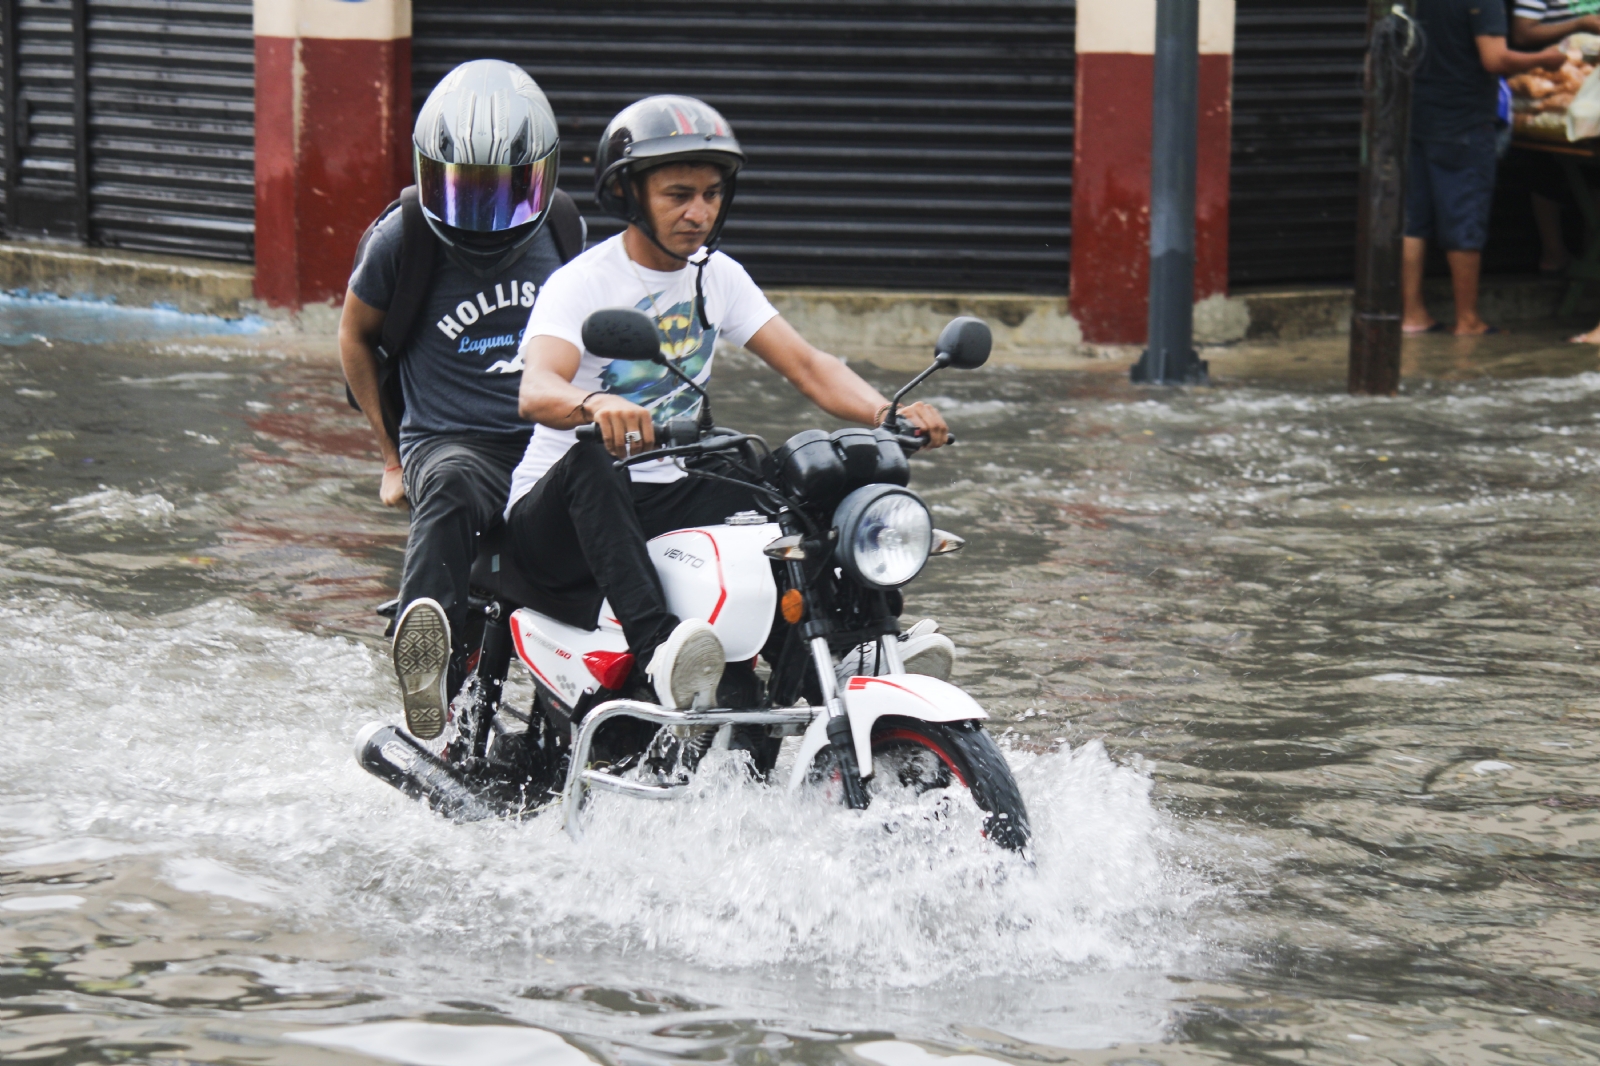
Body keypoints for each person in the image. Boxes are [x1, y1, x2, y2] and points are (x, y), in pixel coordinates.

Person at [506, 95, 953, 709]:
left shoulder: (717, 275)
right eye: (678, 194)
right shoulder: (582, 282)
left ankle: (848, 647)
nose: (699, 212)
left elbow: (807, 365)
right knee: (593, 460)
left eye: (712, 194)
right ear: (630, 196)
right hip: (559, 517)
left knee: (783, 476)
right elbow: (537, 389)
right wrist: (596, 406)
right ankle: (661, 649)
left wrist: (887, 414)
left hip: (663, 495)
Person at [341, 60, 578, 741]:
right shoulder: (402, 237)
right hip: (452, 443)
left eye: (503, 192)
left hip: (545, 441)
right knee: (445, 485)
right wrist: (391, 459)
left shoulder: (563, 228)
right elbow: (354, 337)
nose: (484, 214)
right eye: (467, 191)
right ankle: (429, 671)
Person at [1402, 0, 1565, 336]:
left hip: (1415, 116)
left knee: (1413, 221)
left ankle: (1413, 314)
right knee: (1463, 216)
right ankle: (1468, 320)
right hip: (1463, 119)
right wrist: (1543, 60)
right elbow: (1494, 59)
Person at [1511, 1, 1600, 275]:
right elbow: (1522, 33)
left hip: (1591, 89)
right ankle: (1554, 253)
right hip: (1552, 82)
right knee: (1545, 170)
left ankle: (1590, 254)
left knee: (1594, 172)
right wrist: (1580, 24)